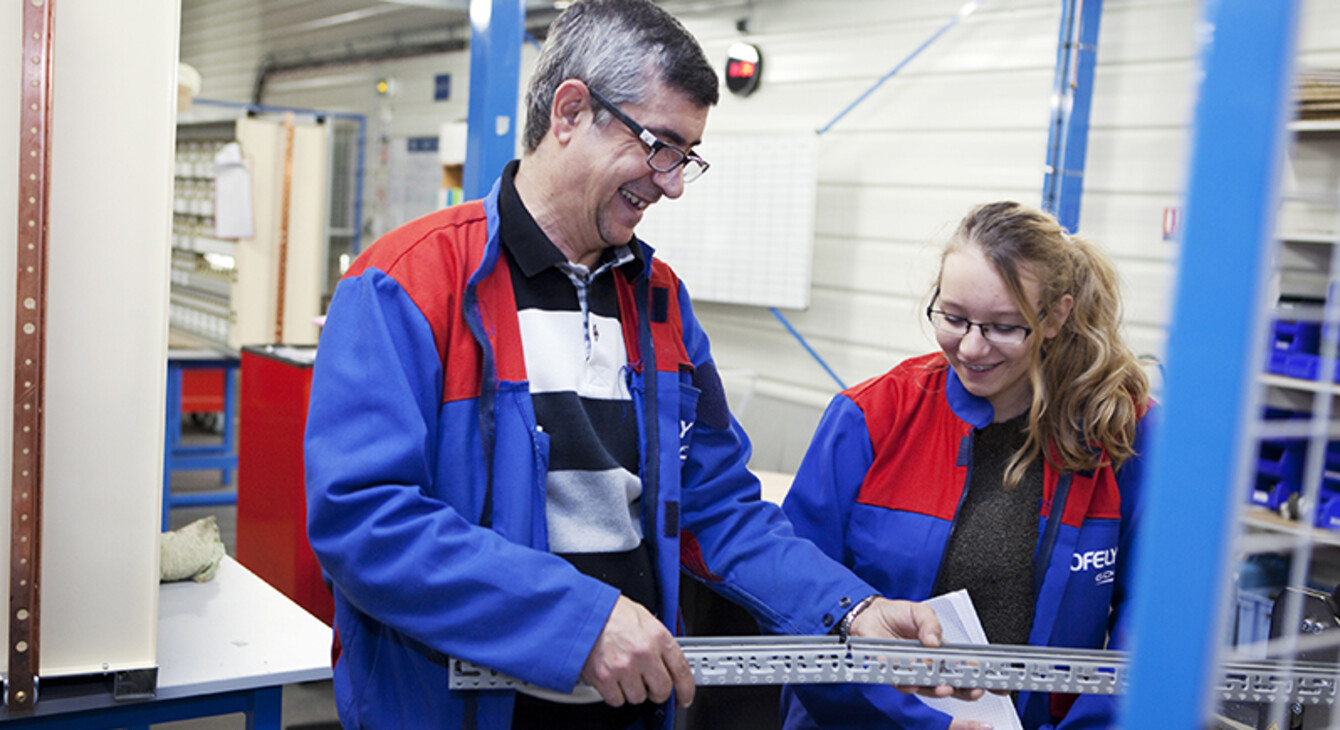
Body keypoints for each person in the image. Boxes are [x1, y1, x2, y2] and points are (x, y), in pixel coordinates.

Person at [302, 2, 973, 728]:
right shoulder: (408, 283)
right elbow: (364, 518)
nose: (673, 183)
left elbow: (717, 506)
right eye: (661, 146)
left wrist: (849, 609)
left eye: (686, 157)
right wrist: (579, 623)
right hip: (458, 710)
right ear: (569, 112)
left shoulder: (659, 303)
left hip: (627, 710)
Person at [779, 201, 1158, 730]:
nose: (972, 347)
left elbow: (1157, 617)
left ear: (1055, 316)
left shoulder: (1121, 433)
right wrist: (920, 723)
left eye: (1005, 327)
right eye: (953, 318)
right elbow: (797, 601)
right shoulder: (870, 418)